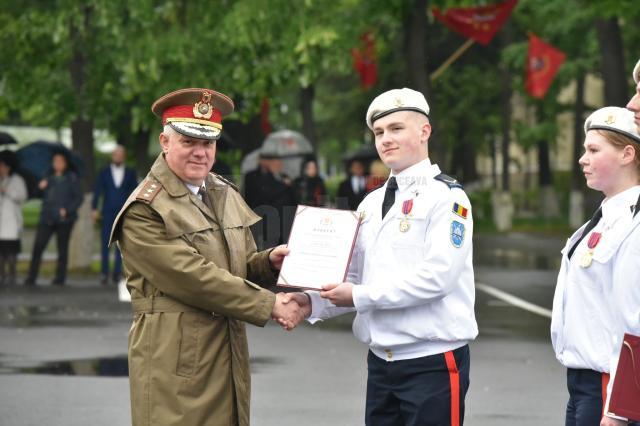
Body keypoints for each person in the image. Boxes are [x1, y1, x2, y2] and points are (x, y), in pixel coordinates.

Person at [282, 88, 478, 425]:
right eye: (379, 132)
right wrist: (308, 302)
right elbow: (355, 275)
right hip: (381, 362)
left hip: (430, 361)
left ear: (424, 131)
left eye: (396, 128)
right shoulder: (369, 204)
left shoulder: (447, 198)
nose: (386, 139)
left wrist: (358, 295)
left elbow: (437, 279)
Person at [108, 88, 301, 426]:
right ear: (164, 142)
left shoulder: (222, 191)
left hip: (226, 350)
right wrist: (269, 304)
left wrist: (269, 263)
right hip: (175, 358)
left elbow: (237, 265)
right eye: (188, 142)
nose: (200, 153)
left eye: (207, 144)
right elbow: (194, 277)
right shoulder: (145, 209)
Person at [550, 106, 640, 426]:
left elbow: (635, 323)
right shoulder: (601, 220)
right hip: (582, 384)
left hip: (607, 387)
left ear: (627, 154)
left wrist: (618, 409)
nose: (582, 159)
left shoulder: (633, 223)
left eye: (593, 149)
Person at [24, 152, 82, 286]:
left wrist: (67, 210)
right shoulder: (47, 177)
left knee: (62, 249)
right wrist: (39, 187)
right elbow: (35, 194)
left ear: (65, 163)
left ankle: (60, 278)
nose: (57, 163)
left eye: (60, 161)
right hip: (47, 218)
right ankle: (31, 277)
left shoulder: (72, 178)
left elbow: (78, 198)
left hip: (64, 220)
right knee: (38, 246)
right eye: (55, 161)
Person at [91, 145, 137, 285]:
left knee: (120, 244)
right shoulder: (104, 172)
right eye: (116, 154)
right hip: (107, 212)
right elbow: (98, 190)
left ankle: (117, 273)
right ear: (112, 156)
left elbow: (134, 190)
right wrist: (94, 208)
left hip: (123, 212)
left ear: (124, 156)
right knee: (105, 242)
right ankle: (104, 273)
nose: (118, 156)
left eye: (121, 154)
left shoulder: (130, 172)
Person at [243, 153, 296, 248]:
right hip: (265, 216)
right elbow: (267, 193)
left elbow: (293, 198)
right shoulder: (257, 176)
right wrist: (284, 185)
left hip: (284, 218)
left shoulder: (284, 176)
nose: (279, 165)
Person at [0, 151, 28, 285]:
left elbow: (22, 197)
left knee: (11, 251)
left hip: (12, 221)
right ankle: (2, 275)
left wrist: (7, 191)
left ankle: (12, 275)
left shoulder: (17, 180)